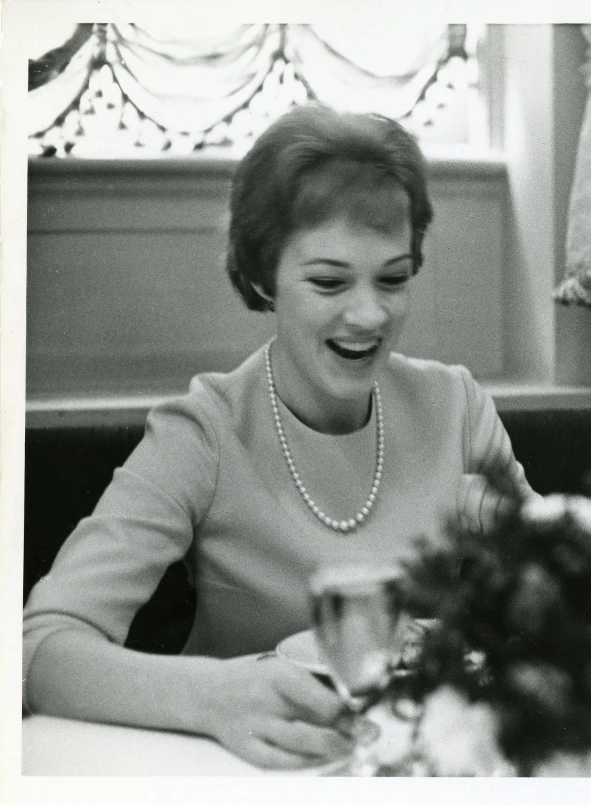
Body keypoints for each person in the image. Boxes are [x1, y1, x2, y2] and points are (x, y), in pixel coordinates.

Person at [23, 103, 532, 768]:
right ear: (265, 274)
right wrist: (211, 694)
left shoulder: (457, 406)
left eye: (394, 277)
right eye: (328, 280)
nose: (369, 314)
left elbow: (558, 606)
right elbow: (41, 646)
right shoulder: (204, 430)